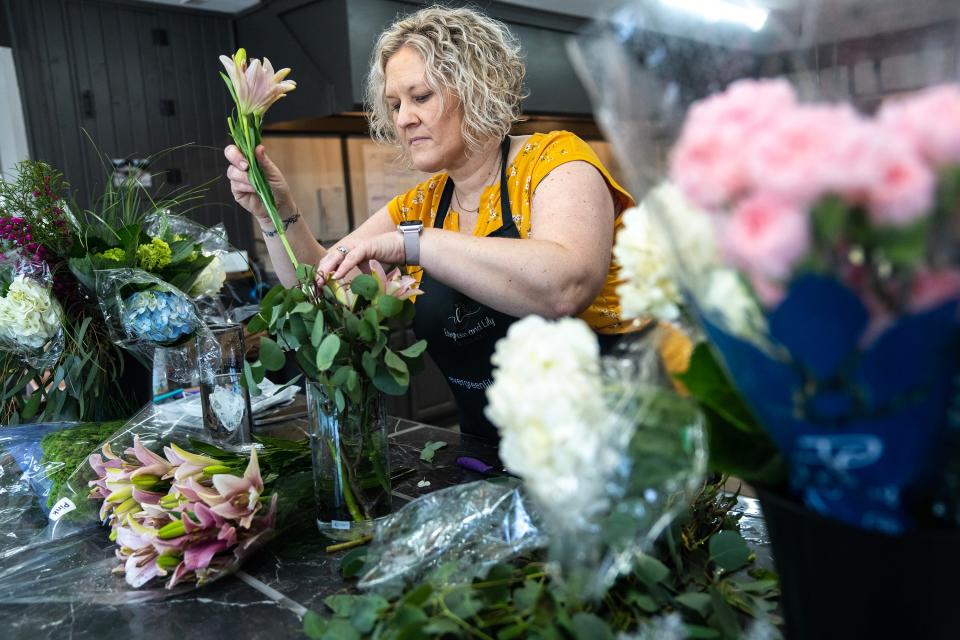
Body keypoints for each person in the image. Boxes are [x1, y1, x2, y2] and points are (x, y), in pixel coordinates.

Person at [225, 5, 636, 440]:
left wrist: (414, 244)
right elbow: (323, 288)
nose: (403, 119)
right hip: (490, 454)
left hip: (614, 449)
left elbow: (565, 286)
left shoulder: (555, 161)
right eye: (394, 104)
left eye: (421, 97)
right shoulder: (423, 204)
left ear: (479, 89)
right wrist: (274, 211)